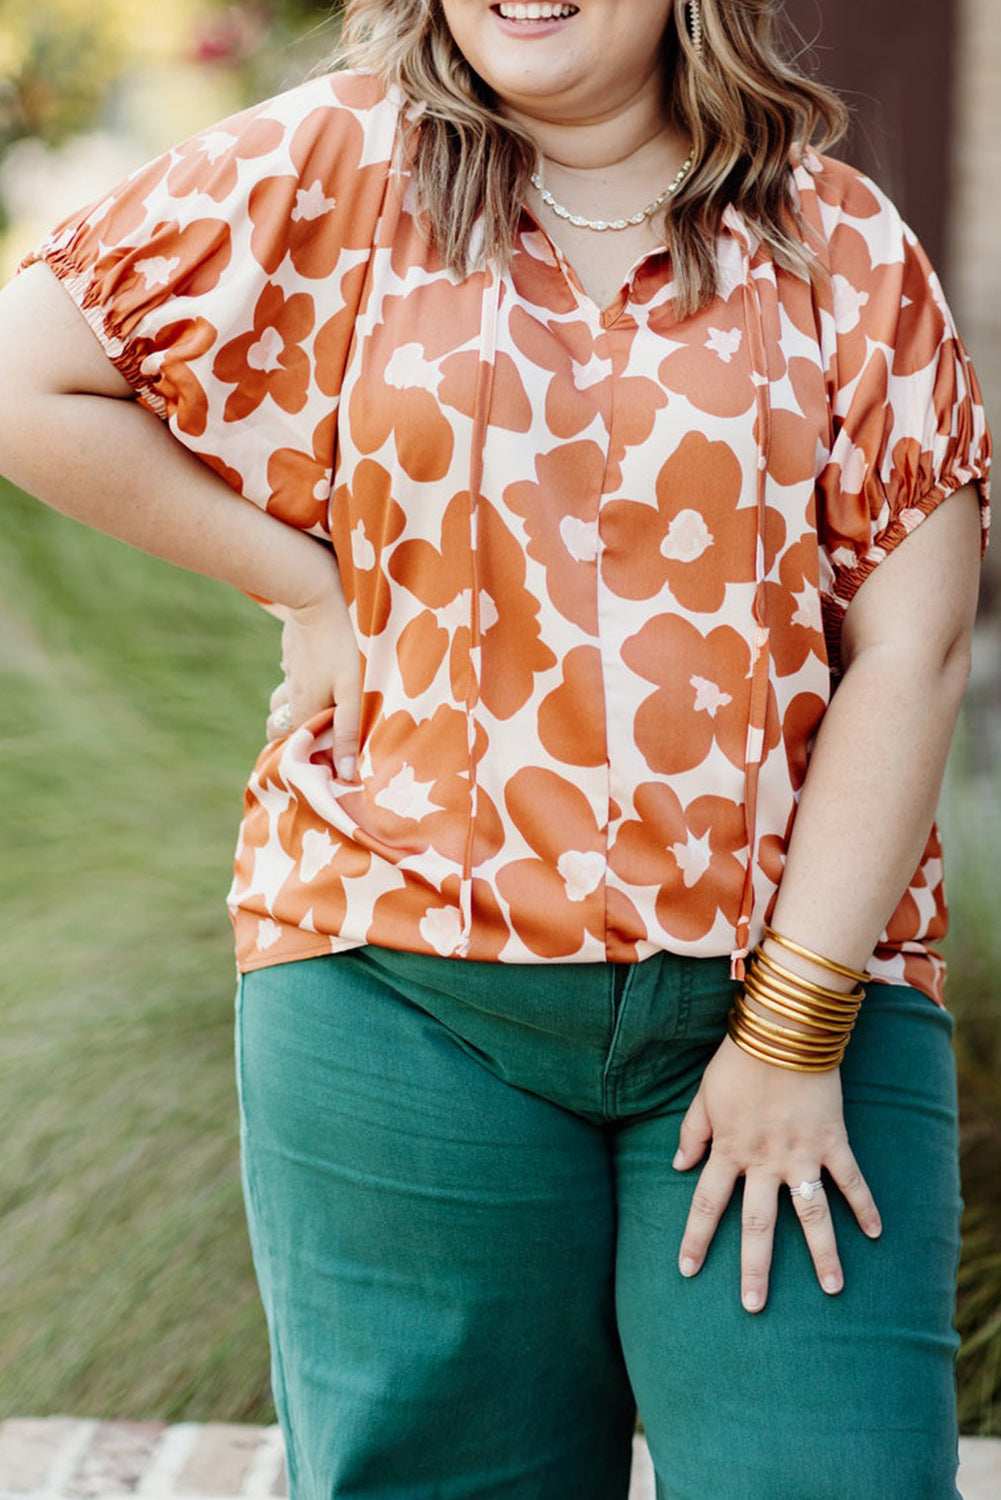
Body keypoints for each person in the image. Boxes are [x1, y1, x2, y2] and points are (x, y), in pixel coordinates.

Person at [0, 0, 992, 1495]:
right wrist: (298, 578)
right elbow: (28, 377)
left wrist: (791, 1031)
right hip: (398, 993)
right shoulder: (324, 166)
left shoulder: (836, 242)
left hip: (790, 995)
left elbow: (905, 654)